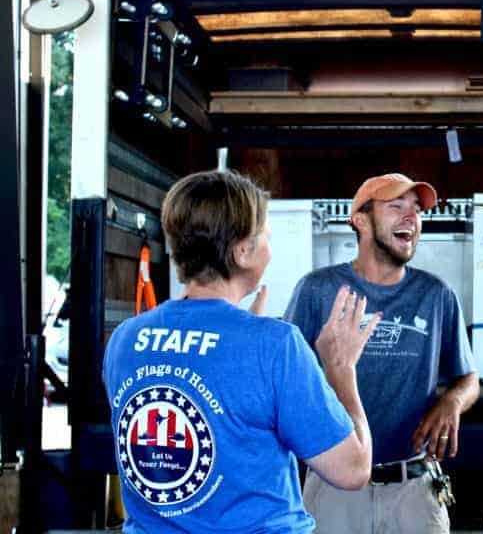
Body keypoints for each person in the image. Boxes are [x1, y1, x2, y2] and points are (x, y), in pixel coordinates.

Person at [102, 169, 378, 533]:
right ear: (243, 251)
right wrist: (340, 368)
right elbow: (352, 470)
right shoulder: (275, 346)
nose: (270, 245)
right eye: (265, 235)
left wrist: (243, 336)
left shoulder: (125, 339)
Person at [284, 172, 479, 534]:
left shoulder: (436, 295)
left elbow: (468, 378)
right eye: (396, 206)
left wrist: (453, 401)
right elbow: (284, 382)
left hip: (415, 487)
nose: (412, 217)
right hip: (333, 485)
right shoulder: (317, 290)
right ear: (360, 219)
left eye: (417, 209)